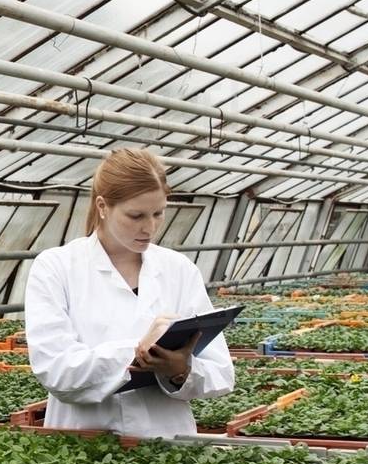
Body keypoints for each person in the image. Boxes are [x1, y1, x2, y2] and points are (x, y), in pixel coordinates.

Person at [23, 148, 234, 438]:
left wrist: (180, 370)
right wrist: (136, 351)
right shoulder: (56, 268)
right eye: (135, 215)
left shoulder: (179, 270)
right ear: (102, 206)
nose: (149, 227)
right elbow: (56, 370)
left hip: (168, 446)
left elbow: (221, 373)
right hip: (82, 446)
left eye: (158, 213)